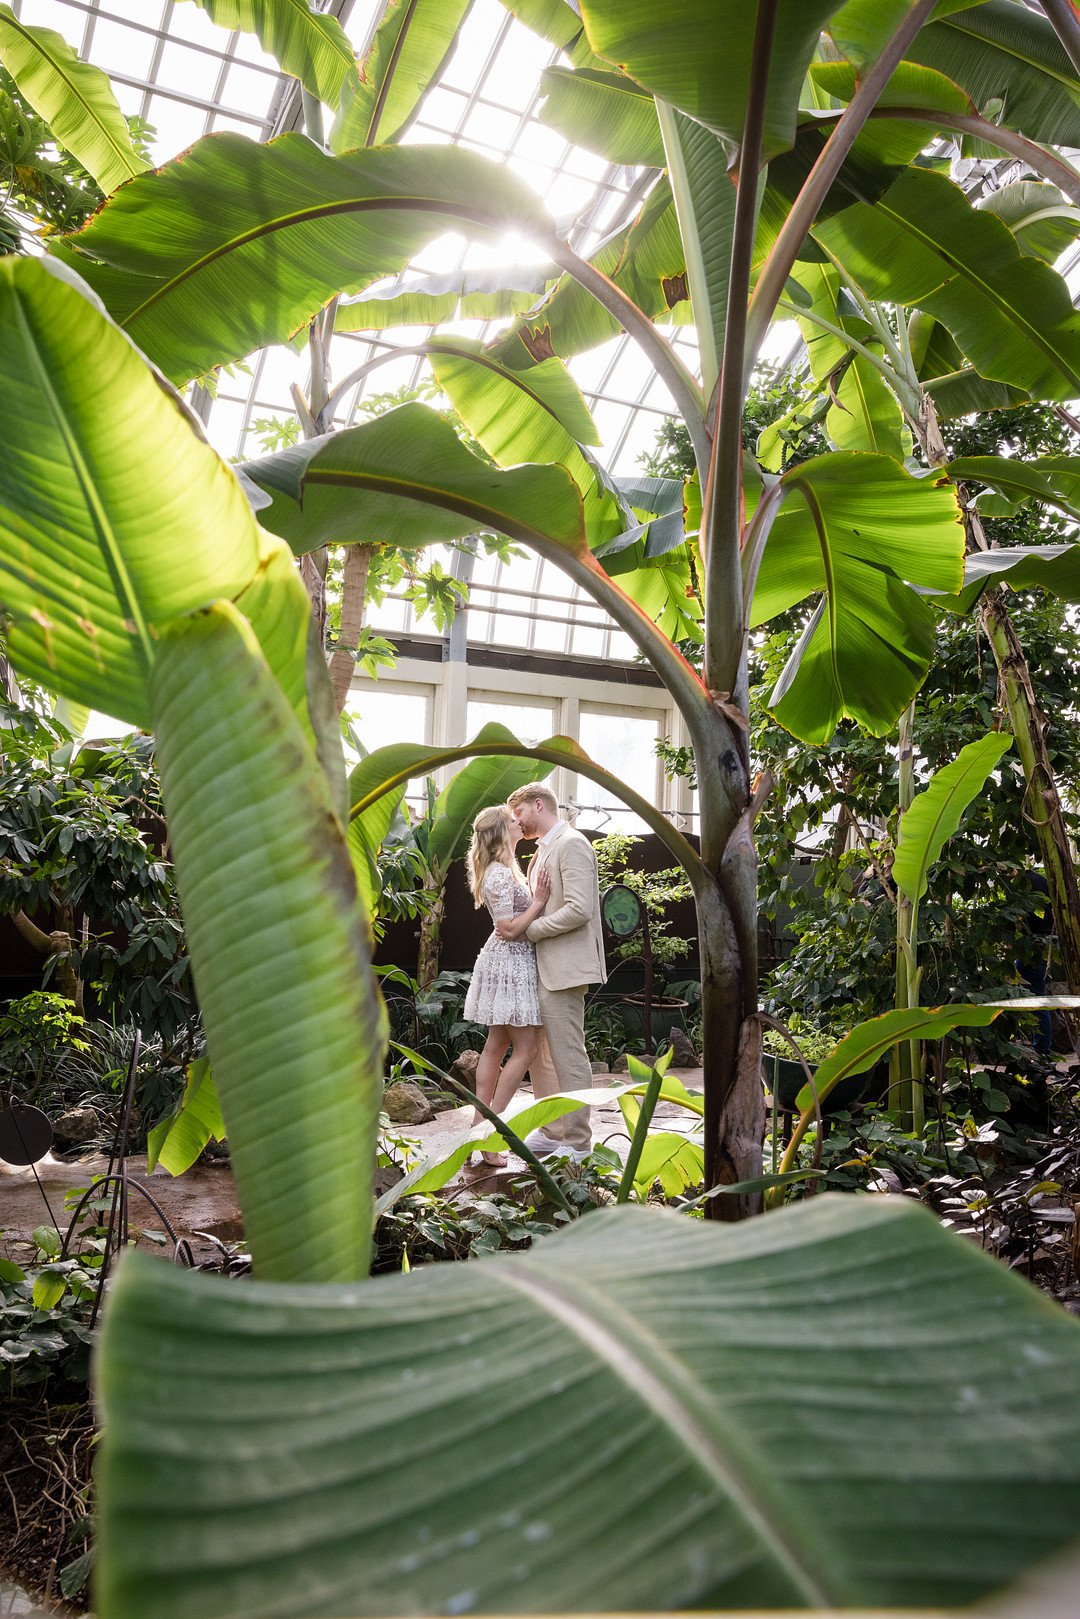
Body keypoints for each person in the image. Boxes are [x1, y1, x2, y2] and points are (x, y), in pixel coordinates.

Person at [499, 783, 606, 1161]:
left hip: (564, 968)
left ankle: (578, 1143)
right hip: (541, 969)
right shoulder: (542, 851)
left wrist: (530, 931)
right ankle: (553, 1131)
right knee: (542, 1055)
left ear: (538, 804)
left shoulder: (572, 844)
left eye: (520, 812)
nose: (517, 821)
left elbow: (579, 910)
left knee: (567, 1054)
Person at [462, 804, 550, 1167]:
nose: (520, 821)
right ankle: (491, 1134)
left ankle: (477, 1131)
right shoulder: (498, 874)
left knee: (496, 1045)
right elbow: (510, 928)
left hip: (509, 961)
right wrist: (540, 901)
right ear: (501, 832)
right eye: (513, 819)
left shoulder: (505, 869)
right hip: (509, 962)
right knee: (526, 1048)